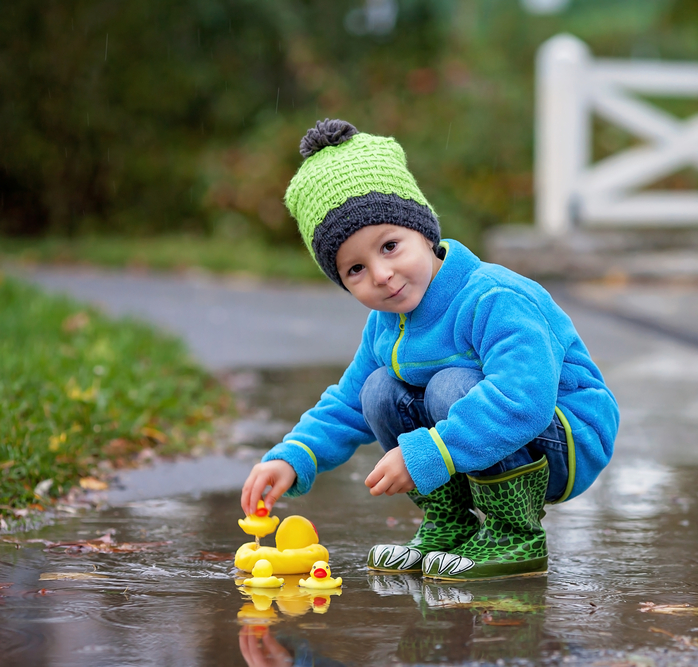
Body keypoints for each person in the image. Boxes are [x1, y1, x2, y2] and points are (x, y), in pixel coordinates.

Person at [241, 119, 618, 581]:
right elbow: (347, 401)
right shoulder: (386, 325)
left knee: (449, 384)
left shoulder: (492, 297)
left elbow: (526, 396)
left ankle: (514, 532)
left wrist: (431, 452)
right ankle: (451, 524)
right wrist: (293, 455)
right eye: (355, 268)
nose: (381, 274)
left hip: (564, 435)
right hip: (476, 439)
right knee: (378, 389)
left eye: (391, 246)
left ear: (424, 231)